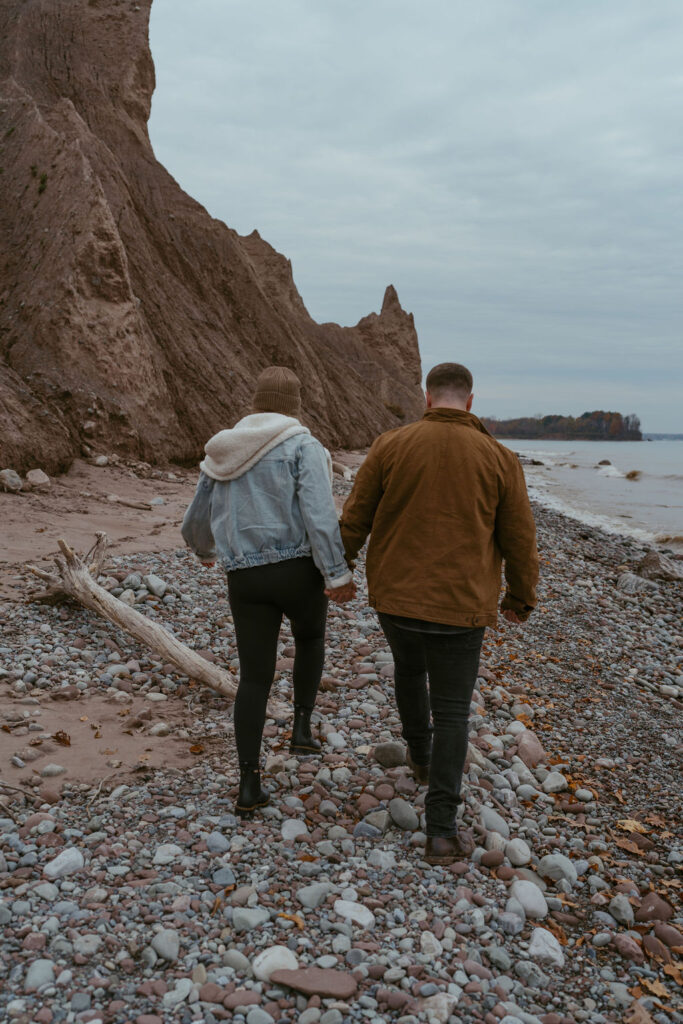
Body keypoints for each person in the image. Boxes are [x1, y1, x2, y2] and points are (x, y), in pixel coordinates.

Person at [338, 362, 538, 865]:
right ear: (469, 402)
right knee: (453, 711)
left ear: (428, 399)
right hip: (461, 606)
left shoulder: (390, 445)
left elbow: (355, 516)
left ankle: (422, 759)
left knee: (409, 668)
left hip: (396, 599)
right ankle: (442, 831)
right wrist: (520, 598)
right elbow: (519, 538)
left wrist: (336, 569)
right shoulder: (499, 457)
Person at [181, 366, 355, 816]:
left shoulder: (223, 448)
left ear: (255, 402)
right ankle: (301, 728)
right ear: (296, 405)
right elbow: (319, 515)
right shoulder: (304, 445)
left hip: (245, 577)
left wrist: (204, 549)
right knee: (310, 639)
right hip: (298, 571)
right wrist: (336, 574)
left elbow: (197, 515)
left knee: (254, 678)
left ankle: (248, 784)